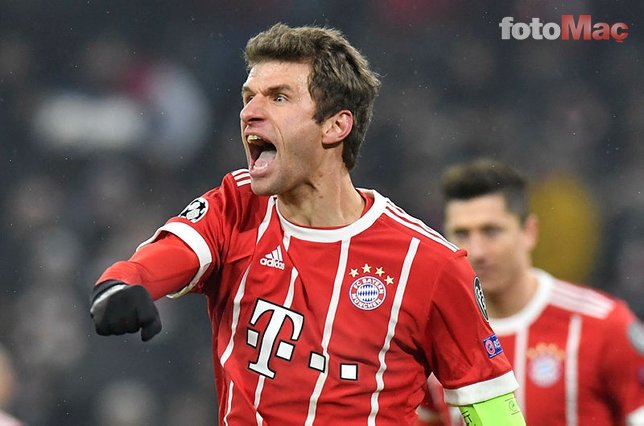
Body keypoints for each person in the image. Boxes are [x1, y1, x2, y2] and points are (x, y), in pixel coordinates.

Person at [89, 24, 525, 425]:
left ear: (336, 126)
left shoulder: (429, 264)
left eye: (278, 97)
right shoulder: (236, 207)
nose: (250, 112)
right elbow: (161, 260)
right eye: (248, 97)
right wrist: (122, 284)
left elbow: (488, 404)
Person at [416, 158, 644, 426]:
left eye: (491, 231)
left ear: (529, 232)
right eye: (462, 233)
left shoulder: (602, 324)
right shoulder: (432, 336)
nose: (477, 251)